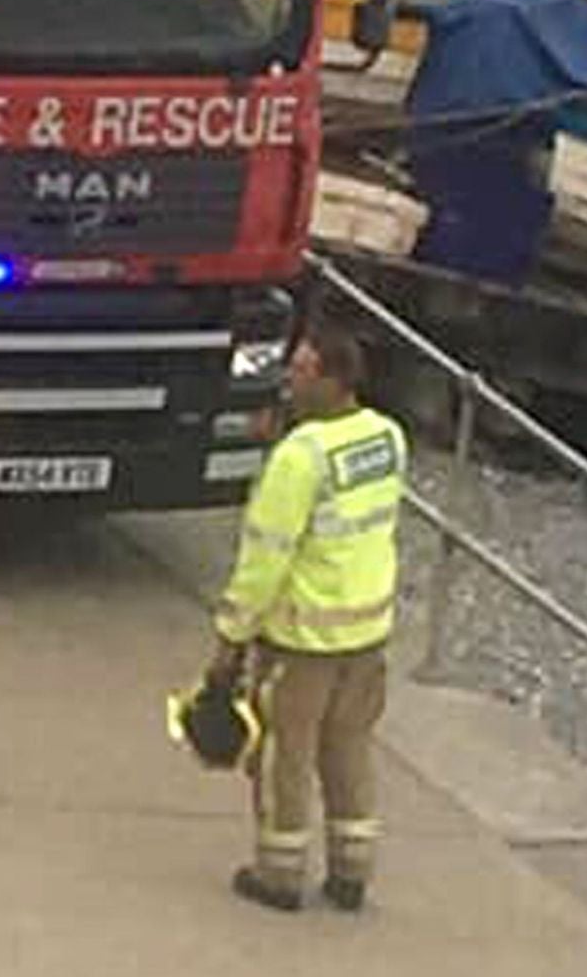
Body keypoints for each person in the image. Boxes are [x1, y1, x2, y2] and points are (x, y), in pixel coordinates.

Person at [208, 320, 409, 914]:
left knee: (282, 759)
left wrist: (230, 638)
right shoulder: (387, 437)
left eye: (301, 370)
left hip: (304, 640)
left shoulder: (301, 459)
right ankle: (352, 872)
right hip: (366, 635)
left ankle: (279, 875)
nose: (288, 380)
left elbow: (265, 560)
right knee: (349, 749)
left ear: (334, 378)